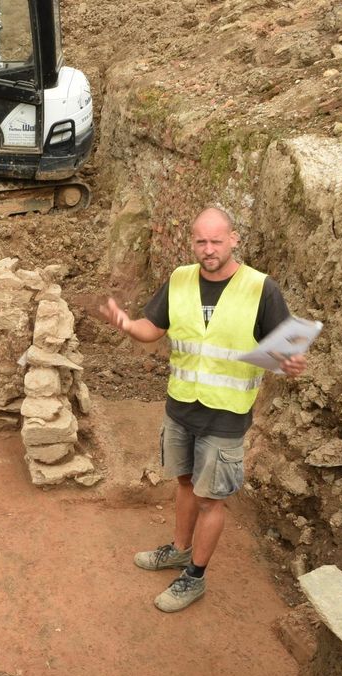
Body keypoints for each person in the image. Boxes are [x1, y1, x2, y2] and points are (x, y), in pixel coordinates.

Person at [100, 207, 307, 612]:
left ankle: (194, 577)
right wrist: (125, 323)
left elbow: (287, 355)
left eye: (216, 241)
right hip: (180, 407)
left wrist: (293, 364)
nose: (208, 249)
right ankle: (179, 549)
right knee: (183, 484)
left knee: (212, 499)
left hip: (226, 416)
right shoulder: (179, 280)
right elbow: (151, 329)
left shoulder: (261, 289)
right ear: (191, 241)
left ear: (234, 240)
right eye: (201, 241)